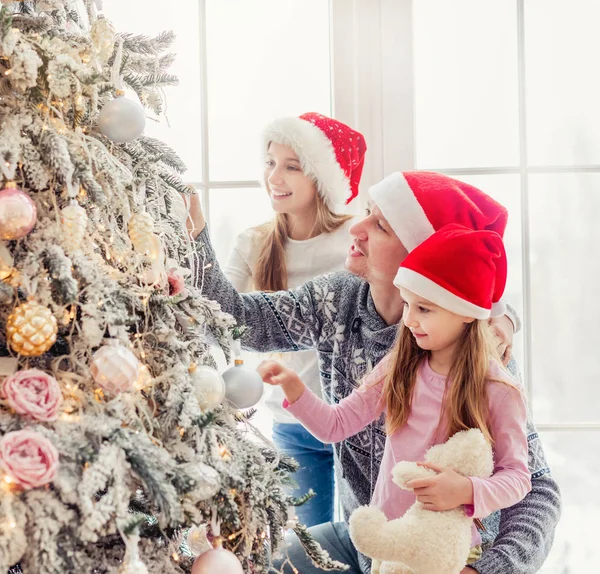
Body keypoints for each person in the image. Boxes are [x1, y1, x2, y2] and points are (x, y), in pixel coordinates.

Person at [183, 171, 561, 573]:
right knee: (248, 563)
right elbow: (240, 319)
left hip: (450, 556)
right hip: (369, 543)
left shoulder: (478, 353)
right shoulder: (341, 298)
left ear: (423, 255)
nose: (356, 227)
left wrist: (483, 570)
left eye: (380, 225)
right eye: (367, 212)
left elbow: (536, 491)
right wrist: (195, 234)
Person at [258, 223, 532, 572]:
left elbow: (518, 478)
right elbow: (335, 425)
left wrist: (466, 490)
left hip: (448, 554)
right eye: (408, 305)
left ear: (467, 312)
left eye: (425, 309)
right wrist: (295, 389)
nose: (410, 321)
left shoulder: (499, 389)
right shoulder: (399, 364)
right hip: (388, 545)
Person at [224, 112, 367, 526]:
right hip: (294, 426)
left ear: (321, 178)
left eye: (292, 166)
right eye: (270, 162)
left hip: (360, 425)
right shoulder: (254, 242)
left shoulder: (359, 237)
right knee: (308, 548)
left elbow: (433, 279)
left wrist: (505, 318)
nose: (275, 177)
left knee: (369, 546)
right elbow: (216, 307)